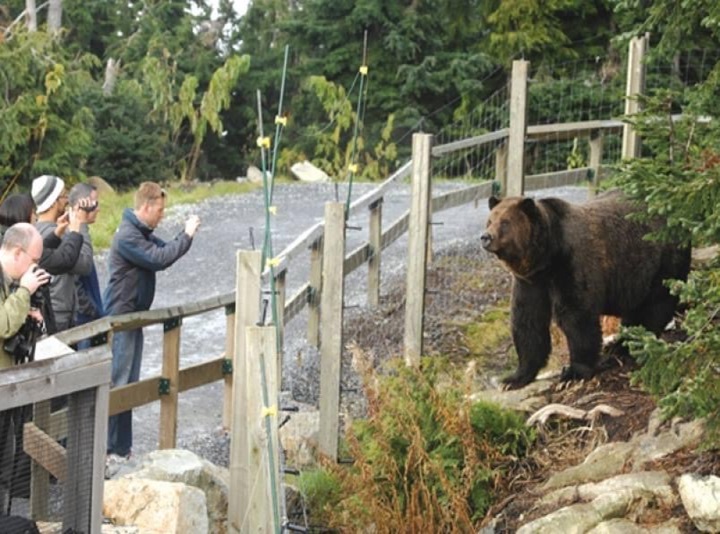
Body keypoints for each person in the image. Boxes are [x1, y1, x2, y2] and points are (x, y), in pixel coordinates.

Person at [104, 182, 201, 460]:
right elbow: (160, 258)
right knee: (120, 383)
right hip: (121, 319)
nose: (162, 215)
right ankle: (111, 449)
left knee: (131, 383)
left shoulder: (141, 231)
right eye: (159, 210)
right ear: (145, 207)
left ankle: (122, 448)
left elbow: (167, 249)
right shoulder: (128, 236)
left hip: (134, 318)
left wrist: (184, 237)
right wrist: (188, 235)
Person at [0, 223, 51, 513]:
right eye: (35, 261)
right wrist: (24, 292)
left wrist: (32, 319)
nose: (37, 269)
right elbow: (4, 324)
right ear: (18, 253)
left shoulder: (14, 284)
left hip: (9, 389)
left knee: (5, 469)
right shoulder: (16, 286)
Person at [0, 192, 85, 335]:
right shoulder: (15, 249)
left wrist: (56, 234)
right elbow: (63, 261)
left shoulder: (9, 244)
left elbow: (39, 255)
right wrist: (77, 231)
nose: (37, 217)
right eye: (33, 212)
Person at [32, 175, 93, 331]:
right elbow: (84, 265)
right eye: (64, 196)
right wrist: (81, 225)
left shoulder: (35, 231)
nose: (67, 200)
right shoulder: (52, 233)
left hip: (55, 310)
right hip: (58, 315)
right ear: (53, 202)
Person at [68, 183, 104, 348]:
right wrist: (92, 310)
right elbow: (78, 276)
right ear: (82, 204)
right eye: (94, 203)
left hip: (87, 318)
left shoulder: (79, 232)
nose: (98, 209)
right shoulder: (73, 234)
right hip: (83, 322)